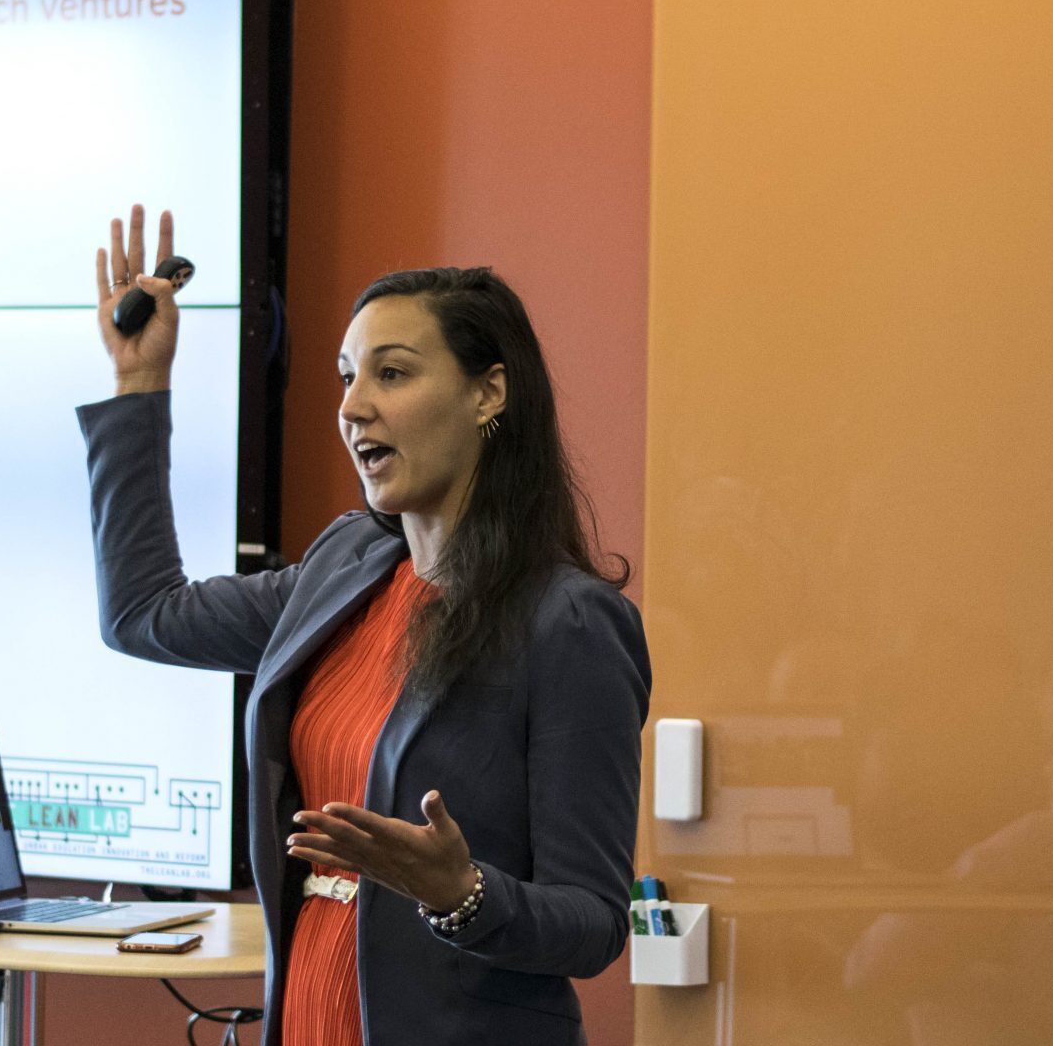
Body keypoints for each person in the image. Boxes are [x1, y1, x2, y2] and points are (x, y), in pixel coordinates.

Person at [77, 205, 651, 1046]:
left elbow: (596, 922)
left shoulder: (568, 624)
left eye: (391, 374)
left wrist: (463, 893)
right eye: (346, 377)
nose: (352, 407)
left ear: (489, 391)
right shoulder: (343, 569)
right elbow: (143, 614)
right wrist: (139, 385)